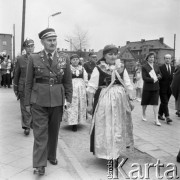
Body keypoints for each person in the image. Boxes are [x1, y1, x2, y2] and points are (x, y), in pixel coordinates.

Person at [24, 28, 72, 175]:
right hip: (38, 101)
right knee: (40, 133)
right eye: (49, 40)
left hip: (57, 100)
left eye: (54, 40)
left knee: (54, 131)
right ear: (42, 42)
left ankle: (51, 156)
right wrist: (27, 103)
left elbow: (67, 81)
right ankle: (39, 164)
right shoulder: (34, 58)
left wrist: (69, 99)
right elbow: (28, 83)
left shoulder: (64, 58)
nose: (52, 43)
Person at [87, 45, 134, 177]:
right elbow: (91, 86)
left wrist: (130, 100)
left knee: (118, 126)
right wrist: (89, 104)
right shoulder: (98, 68)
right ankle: (108, 153)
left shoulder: (121, 68)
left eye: (115, 54)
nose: (113, 57)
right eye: (110, 54)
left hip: (120, 101)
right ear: (105, 55)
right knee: (107, 126)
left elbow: (128, 84)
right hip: (104, 101)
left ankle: (116, 153)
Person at [13, 39, 35, 135]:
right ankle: (26, 126)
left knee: (34, 106)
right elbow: (16, 74)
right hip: (24, 86)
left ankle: (32, 123)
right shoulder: (20, 59)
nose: (30, 48)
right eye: (28, 47)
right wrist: (16, 88)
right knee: (24, 107)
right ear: (25, 48)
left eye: (32, 46)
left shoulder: (38, 58)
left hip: (35, 86)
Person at [64, 54, 88, 131]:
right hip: (72, 88)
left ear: (79, 60)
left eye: (76, 59)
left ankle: (78, 121)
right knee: (72, 104)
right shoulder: (68, 69)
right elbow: (65, 79)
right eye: (73, 59)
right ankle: (73, 123)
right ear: (70, 61)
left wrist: (86, 88)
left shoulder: (83, 69)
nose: (75, 61)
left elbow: (86, 79)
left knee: (80, 104)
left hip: (81, 90)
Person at [141, 52, 162, 126]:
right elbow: (144, 78)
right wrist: (153, 79)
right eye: (150, 57)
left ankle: (156, 119)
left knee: (155, 103)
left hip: (156, 87)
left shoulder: (156, 66)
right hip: (147, 87)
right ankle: (143, 113)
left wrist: (159, 76)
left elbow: (160, 74)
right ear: (147, 58)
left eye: (153, 57)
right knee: (145, 102)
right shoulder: (144, 67)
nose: (151, 59)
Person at [158, 54, 174, 124]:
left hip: (170, 89)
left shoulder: (173, 68)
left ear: (171, 59)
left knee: (164, 102)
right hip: (162, 88)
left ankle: (159, 114)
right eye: (166, 58)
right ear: (164, 59)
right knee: (165, 102)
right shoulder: (161, 67)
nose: (168, 60)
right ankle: (167, 117)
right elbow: (159, 76)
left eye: (169, 58)